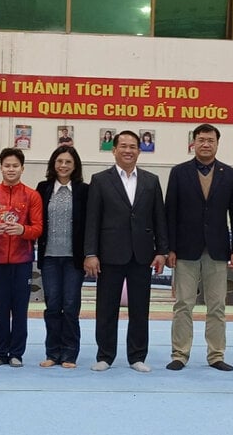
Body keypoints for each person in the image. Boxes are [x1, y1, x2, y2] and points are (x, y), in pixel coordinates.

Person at [84, 130, 168, 373]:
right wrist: (91, 253)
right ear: (114, 150)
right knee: (106, 308)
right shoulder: (100, 180)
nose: (128, 150)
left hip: (142, 254)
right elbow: (93, 220)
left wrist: (162, 250)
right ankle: (105, 355)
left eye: (133, 146)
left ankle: (137, 356)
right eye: (123, 146)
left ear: (139, 151)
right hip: (109, 254)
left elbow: (159, 218)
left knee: (140, 309)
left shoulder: (151, 181)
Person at [164, 124, 233, 372]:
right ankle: (180, 353)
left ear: (217, 144)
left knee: (217, 306)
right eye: (201, 140)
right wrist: (170, 248)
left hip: (218, 249)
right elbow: (170, 213)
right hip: (186, 249)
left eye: (210, 140)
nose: (206, 144)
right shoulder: (179, 172)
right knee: (183, 304)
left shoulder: (228, 174)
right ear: (193, 143)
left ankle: (216, 354)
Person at [0, 148, 43, 368]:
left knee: (20, 309)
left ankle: (16, 353)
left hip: (22, 262)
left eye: (15, 166)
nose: (11, 169)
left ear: (22, 168)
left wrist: (22, 230)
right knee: (1, 308)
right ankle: (0, 352)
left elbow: (38, 229)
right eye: (7, 165)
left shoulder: (32, 196)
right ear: (1, 168)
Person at [35, 146, 89, 369]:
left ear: (75, 165)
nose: (63, 166)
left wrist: (89, 254)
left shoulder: (84, 190)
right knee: (53, 306)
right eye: (59, 161)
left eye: (68, 162)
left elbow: (89, 225)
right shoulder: (43, 188)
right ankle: (52, 353)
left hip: (73, 259)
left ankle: (69, 354)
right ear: (53, 164)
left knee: (70, 306)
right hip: (49, 257)